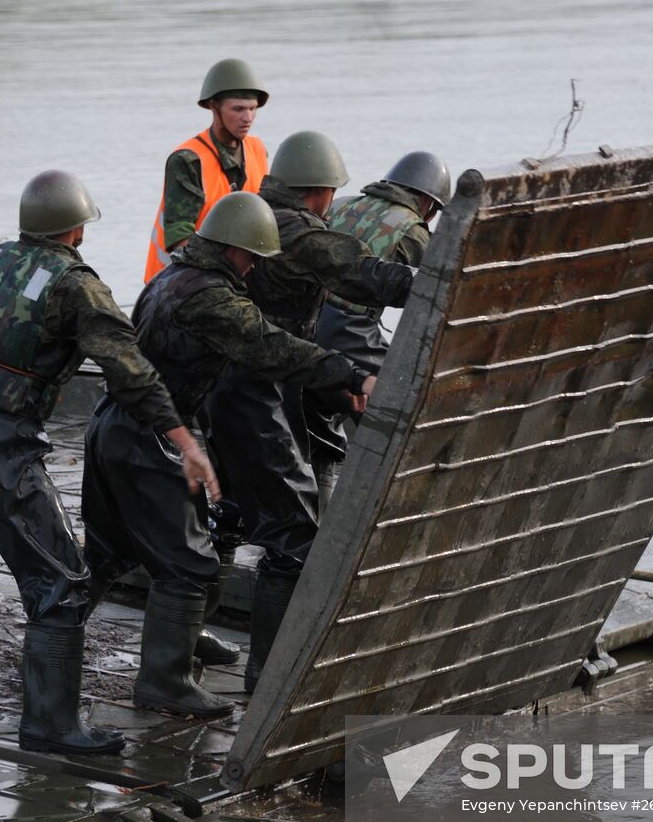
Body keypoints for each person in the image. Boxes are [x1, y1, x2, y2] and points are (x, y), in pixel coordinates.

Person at [0, 170, 217, 757]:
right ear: (77, 228)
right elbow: (129, 369)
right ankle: (50, 725)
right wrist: (184, 441)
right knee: (62, 583)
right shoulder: (76, 285)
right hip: (1, 440)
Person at [84, 192, 375, 716]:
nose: (254, 268)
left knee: (108, 554)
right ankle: (164, 682)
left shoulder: (171, 277)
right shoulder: (212, 298)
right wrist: (354, 375)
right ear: (236, 250)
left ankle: (59, 636)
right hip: (149, 435)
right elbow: (273, 346)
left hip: (115, 424)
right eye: (253, 258)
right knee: (188, 563)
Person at [203, 130, 415, 693]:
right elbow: (367, 275)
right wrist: (444, 281)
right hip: (258, 391)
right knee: (293, 538)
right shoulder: (297, 231)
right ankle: (269, 678)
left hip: (228, 385)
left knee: (229, 514)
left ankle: (187, 645)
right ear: (320, 191)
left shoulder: (256, 214)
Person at [308, 151, 451, 509]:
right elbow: (431, 297)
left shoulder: (341, 203)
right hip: (348, 332)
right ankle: (408, 504)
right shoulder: (413, 229)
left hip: (303, 326)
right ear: (427, 203)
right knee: (403, 409)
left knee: (319, 424)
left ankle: (319, 514)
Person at [143, 58, 270, 283]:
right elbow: (179, 239)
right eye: (238, 109)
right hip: (175, 283)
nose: (248, 118)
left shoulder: (257, 150)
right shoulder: (187, 160)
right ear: (214, 106)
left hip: (233, 277)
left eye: (253, 109)